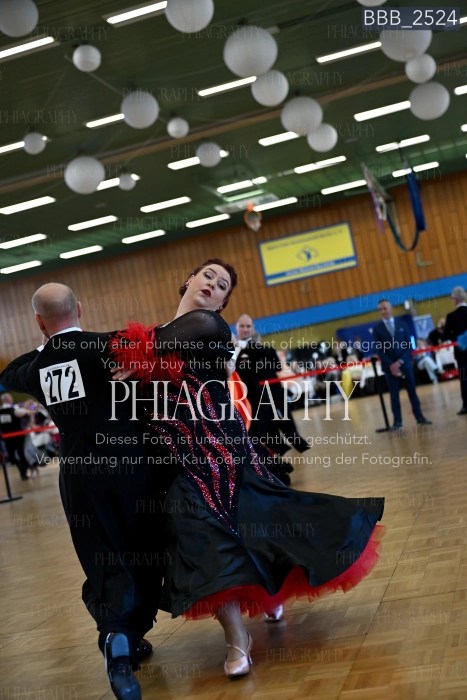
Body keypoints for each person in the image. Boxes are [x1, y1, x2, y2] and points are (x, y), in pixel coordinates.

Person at [111, 258, 385, 679]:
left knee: (262, 525)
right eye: (207, 276)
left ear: (222, 303)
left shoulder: (208, 326)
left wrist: (134, 352)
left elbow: (151, 347)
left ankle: (269, 593)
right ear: (188, 279)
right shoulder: (158, 336)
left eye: (222, 285)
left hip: (226, 451)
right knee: (202, 539)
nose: (212, 284)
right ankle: (237, 638)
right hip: (184, 462)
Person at [0, 283, 170, 700]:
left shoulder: (35, 369)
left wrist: (48, 348)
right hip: (132, 467)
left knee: (104, 558)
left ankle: (120, 640)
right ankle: (126, 634)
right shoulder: (110, 346)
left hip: (79, 477)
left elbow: (9, 372)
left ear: (39, 322)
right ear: (80, 307)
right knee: (143, 550)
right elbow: (168, 341)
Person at [234, 313, 309, 456]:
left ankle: (299, 446)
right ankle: (278, 451)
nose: (245, 329)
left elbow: (277, 368)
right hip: (252, 396)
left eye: (248, 326)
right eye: (242, 326)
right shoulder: (233, 351)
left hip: (274, 391)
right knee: (264, 426)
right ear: (237, 328)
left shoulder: (266, 350)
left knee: (284, 418)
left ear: (253, 328)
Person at [372, 300, 431, 430]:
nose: (383, 311)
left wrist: (400, 362)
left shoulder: (402, 324)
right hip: (389, 368)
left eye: (384, 308)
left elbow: (408, 345)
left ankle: (420, 417)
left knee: (412, 392)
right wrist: (391, 365)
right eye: (380, 309)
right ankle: (397, 422)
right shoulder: (377, 329)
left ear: (390, 308)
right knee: (394, 396)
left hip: (405, 365)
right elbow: (380, 350)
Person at [443, 286, 467, 415]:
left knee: (464, 378)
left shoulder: (451, 316)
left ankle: (466, 405)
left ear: (456, 299)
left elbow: (446, 336)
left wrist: (457, 337)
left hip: (461, 352)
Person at [0, 392, 32, 480]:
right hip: (14, 437)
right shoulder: (14, 409)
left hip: (11, 437)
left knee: (14, 456)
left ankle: (23, 472)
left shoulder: (14, 409)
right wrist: (27, 407)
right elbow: (27, 412)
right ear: (9, 400)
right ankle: (24, 468)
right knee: (19, 454)